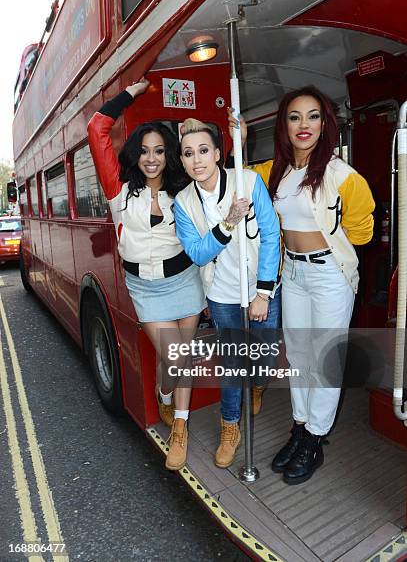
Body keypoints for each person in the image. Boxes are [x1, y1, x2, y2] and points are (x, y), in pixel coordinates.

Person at [227, 86, 375, 484]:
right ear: (285, 125)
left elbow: (363, 231)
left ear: (325, 123)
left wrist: (331, 234)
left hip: (329, 275)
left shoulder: (342, 175)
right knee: (297, 355)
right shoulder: (275, 171)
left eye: (313, 116)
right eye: (295, 117)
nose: (304, 124)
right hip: (291, 274)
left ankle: (314, 438)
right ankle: (300, 425)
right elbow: (237, 182)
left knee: (325, 358)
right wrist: (238, 143)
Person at [87, 79, 205, 471]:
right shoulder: (118, 190)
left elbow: (211, 165)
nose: (151, 159)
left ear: (168, 154)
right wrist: (132, 94)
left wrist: (199, 128)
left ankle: (180, 427)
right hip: (146, 288)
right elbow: (96, 128)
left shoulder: (184, 188)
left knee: (180, 357)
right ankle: (166, 398)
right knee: (173, 357)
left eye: (159, 151)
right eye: (144, 151)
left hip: (185, 280)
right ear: (134, 154)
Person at [174, 119, 281, 469]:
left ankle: (260, 384)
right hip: (222, 294)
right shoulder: (183, 202)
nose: (197, 160)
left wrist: (263, 293)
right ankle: (230, 426)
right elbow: (198, 253)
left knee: (264, 353)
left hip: (260, 288)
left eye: (204, 151)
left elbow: (270, 234)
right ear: (183, 160)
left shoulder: (247, 182)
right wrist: (229, 222)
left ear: (219, 154)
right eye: (189, 154)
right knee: (233, 363)